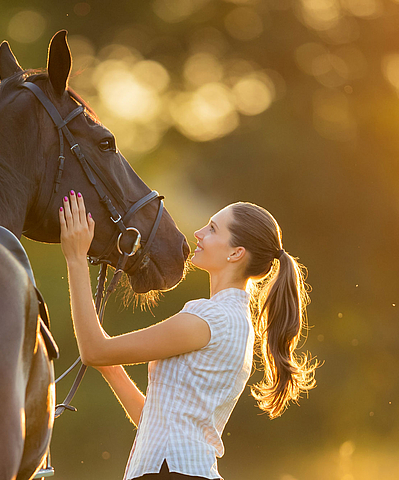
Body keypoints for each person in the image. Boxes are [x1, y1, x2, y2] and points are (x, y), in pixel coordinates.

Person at [58, 190, 316, 480]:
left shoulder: (208, 318)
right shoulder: (235, 321)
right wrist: (110, 364)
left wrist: (76, 258)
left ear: (235, 253)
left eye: (213, 229)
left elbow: (93, 350)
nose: (198, 233)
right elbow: (157, 421)